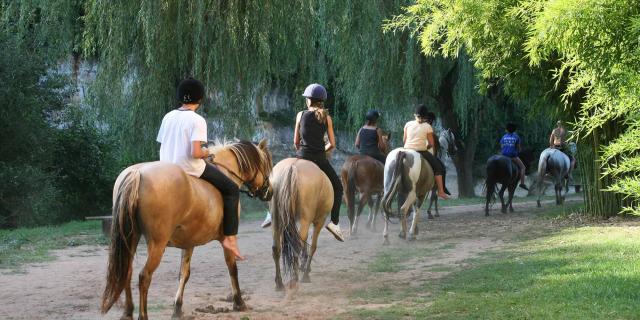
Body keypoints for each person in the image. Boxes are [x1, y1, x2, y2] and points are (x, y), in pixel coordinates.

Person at [156, 78, 244, 260]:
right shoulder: (197, 120)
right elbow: (195, 152)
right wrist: (207, 152)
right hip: (190, 168)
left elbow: (164, 144)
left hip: (166, 169)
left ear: (180, 97)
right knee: (232, 189)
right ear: (200, 99)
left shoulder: (168, 117)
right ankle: (229, 237)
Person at [262, 83, 345, 242]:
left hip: (302, 156)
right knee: (338, 187)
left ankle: (270, 213)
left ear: (309, 100)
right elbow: (332, 144)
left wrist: (303, 149)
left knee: (272, 180)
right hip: (320, 159)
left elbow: (295, 142)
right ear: (321, 101)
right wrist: (322, 148)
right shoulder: (327, 118)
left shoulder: (300, 115)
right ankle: (334, 223)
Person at [403, 105, 450, 199]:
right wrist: (425, 146)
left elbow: (404, 140)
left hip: (407, 150)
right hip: (421, 151)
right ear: (426, 117)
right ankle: (441, 191)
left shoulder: (408, 124)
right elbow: (431, 144)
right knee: (439, 168)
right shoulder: (427, 126)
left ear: (414, 115)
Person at [500, 123, 529, 190]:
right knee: (523, 168)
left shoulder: (504, 136)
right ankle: (522, 183)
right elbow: (518, 148)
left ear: (507, 130)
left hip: (504, 156)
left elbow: (501, 146)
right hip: (512, 156)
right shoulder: (516, 137)